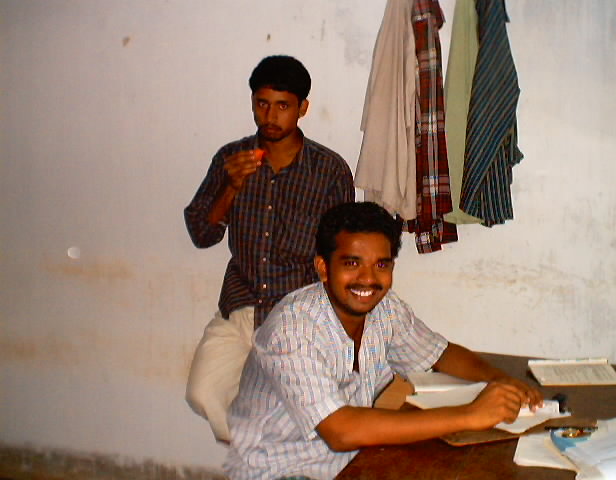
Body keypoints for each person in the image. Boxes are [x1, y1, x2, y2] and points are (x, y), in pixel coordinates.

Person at [224, 201, 543, 480]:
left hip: (352, 460)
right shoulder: (292, 328)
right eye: (352, 263)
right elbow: (341, 431)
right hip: (282, 471)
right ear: (323, 267)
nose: (368, 279)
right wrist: (471, 414)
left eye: (381, 265)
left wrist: (502, 381)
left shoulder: (385, 309)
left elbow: (440, 354)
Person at [183, 55, 355, 442]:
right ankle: (267, 458)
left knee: (297, 411)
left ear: (302, 108)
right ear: (252, 103)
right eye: (262, 103)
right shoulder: (231, 159)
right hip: (240, 304)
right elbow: (201, 234)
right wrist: (230, 188)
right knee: (204, 394)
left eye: (283, 105)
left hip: (296, 316)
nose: (270, 116)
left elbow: (343, 254)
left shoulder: (329, 170)